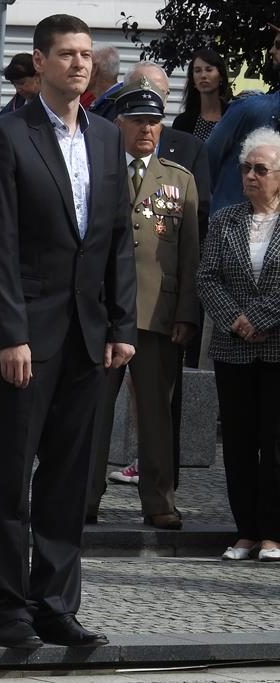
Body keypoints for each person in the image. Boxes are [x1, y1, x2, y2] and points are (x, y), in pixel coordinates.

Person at [0, 14, 136, 650]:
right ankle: (9, 610)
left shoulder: (106, 137)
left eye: (86, 54)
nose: (79, 64)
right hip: (25, 336)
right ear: (39, 61)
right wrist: (10, 333)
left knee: (69, 478)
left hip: (88, 335)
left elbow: (117, 238)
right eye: (67, 53)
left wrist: (120, 323)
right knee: (11, 477)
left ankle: (55, 605)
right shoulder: (8, 135)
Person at [87, 80, 200, 530]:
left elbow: (190, 254)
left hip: (158, 314)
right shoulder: (97, 170)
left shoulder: (179, 179)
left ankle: (159, 500)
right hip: (102, 312)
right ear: (119, 124)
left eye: (154, 122)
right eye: (138, 121)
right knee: (93, 411)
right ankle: (84, 496)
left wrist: (187, 313)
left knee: (156, 413)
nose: (147, 129)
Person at [197, 127, 280, 563]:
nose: (250, 175)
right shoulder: (225, 219)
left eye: (260, 169)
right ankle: (246, 531)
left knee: (276, 443)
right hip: (234, 349)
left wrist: (260, 318)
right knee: (239, 443)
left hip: (277, 347)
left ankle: (273, 533)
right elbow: (207, 278)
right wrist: (237, 321)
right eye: (245, 168)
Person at [206, 30, 280, 214]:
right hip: (232, 220)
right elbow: (208, 159)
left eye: (278, 45)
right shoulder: (249, 108)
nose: (271, 51)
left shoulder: (250, 108)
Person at [173, 48, 231, 141]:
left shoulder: (233, 116)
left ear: (221, 76)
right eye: (197, 71)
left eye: (209, 70)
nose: (203, 75)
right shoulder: (182, 122)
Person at [87, 46, 121, 118]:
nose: (80, 69)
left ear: (94, 69)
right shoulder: (119, 102)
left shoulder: (113, 108)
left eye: (85, 64)